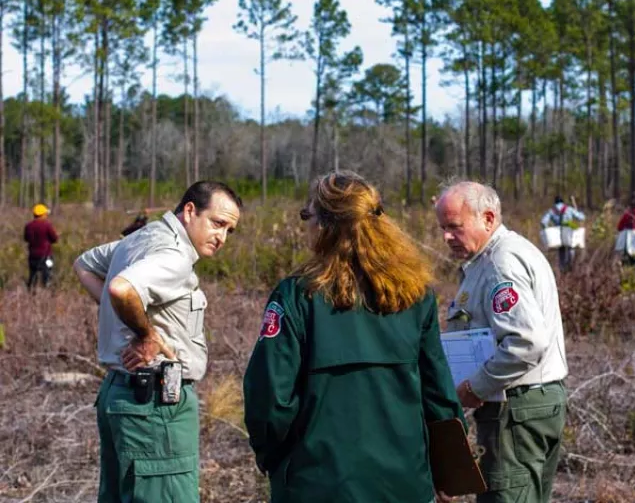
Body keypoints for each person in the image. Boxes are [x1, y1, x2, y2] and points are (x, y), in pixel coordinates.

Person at [243, 171, 464, 503]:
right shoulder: (416, 295)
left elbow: (270, 398)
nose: (306, 225)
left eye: (308, 216)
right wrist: (450, 469)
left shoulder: (296, 295)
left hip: (316, 484)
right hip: (405, 484)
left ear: (326, 226)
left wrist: (273, 458)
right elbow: (440, 395)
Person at [73, 181, 242, 503]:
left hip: (121, 394)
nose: (221, 237)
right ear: (190, 211)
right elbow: (122, 289)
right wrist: (145, 333)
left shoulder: (142, 238)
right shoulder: (175, 255)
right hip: (153, 406)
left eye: (229, 230)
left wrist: (125, 317)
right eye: (217, 223)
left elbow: (84, 265)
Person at [435, 182, 568, 503]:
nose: (446, 237)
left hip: (515, 411)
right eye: (442, 227)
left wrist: (475, 387)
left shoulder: (500, 263)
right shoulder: (495, 257)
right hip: (527, 406)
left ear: (488, 218)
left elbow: (526, 343)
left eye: (455, 227)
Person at [540, 195, 585, 272]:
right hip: (569, 230)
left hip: (558, 233)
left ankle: (562, 269)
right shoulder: (569, 209)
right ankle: (570, 266)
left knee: (561, 250)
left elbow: (543, 222)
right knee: (571, 247)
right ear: (563, 202)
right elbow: (581, 217)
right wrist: (578, 212)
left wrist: (548, 229)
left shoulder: (552, 211)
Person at [24, 203, 58, 290]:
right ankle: (47, 291)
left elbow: (26, 239)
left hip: (32, 256)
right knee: (48, 273)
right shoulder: (47, 225)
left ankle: (31, 291)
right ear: (42, 215)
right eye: (45, 214)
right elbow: (54, 238)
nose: (46, 215)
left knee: (32, 274)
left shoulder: (28, 226)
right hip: (46, 256)